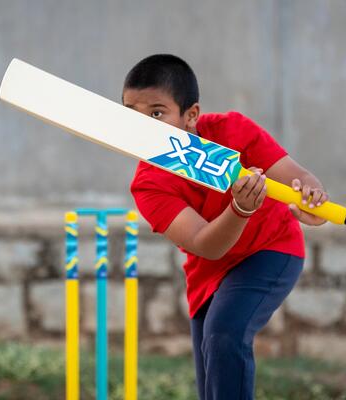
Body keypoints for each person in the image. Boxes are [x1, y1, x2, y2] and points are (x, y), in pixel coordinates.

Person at [124, 54, 329, 400]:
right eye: (132, 114)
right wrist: (239, 209)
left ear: (190, 116)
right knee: (214, 378)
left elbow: (297, 178)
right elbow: (207, 244)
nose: (144, 125)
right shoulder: (148, 184)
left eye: (157, 113)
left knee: (224, 333)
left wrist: (312, 196)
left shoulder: (232, 130)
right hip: (211, 269)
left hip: (271, 248)